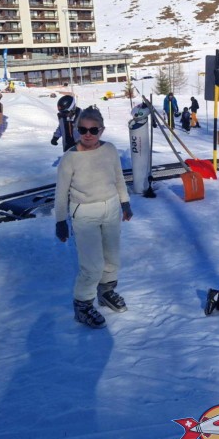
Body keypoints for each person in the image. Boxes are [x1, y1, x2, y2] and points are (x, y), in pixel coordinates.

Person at [54, 107, 133, 329]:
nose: (88, 134)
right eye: (83, 129)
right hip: (85, 213)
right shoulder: (70, 158)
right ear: (77, 130)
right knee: (92, 265)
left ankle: (106, 292)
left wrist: (125, 202)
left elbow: (118, 178)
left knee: (112, 258)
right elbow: (61, 193)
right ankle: (83, 305)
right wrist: (60, 221)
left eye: (93, 130)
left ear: (101, 130)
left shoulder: (109, 150)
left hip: (111, 209)